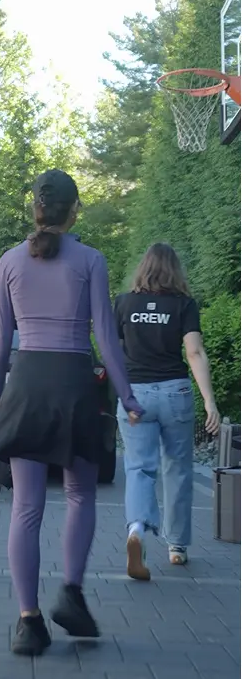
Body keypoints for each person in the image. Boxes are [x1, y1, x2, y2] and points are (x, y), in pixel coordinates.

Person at [0, 169, 143, 657]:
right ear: (75, 211)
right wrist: (129, 399)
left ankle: (28, 623)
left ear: (35, 210)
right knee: (80, 495)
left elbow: (1, 340)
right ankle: (71, 594)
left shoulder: (9, 261)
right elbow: (106, 339)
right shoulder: (92, 260)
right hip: (74, 385)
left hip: (27, 385)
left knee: (26, 507)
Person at [114, 242, 220, 581]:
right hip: (174, 392)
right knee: (178, 471)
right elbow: (195, 353)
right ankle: (177, 547)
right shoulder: (183, 305)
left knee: (139, 469)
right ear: (176, 270)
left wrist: (120, 395)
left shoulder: (124, 303)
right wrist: (209, 401)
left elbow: (115, 356)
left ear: (143, 267)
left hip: (136, 395)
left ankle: (136, 531)